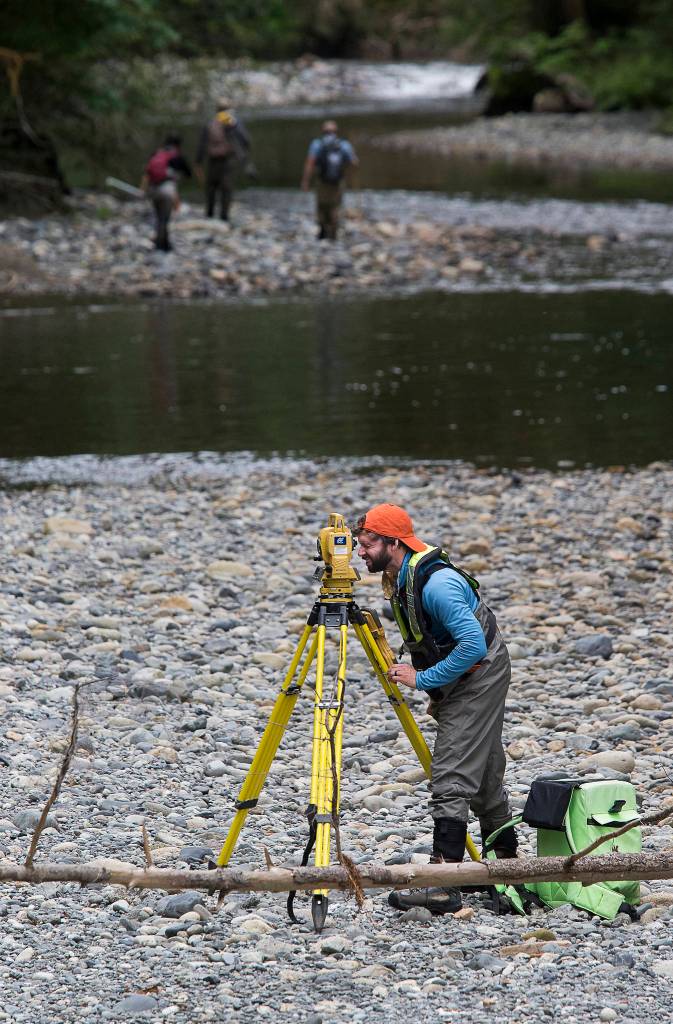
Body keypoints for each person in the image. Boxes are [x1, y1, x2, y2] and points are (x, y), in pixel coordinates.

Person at [354, 503, 517, 915]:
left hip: (479, 674)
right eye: (358, 542)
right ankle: (508, 873)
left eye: (368, 542)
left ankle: (444, 884)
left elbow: (473, 646)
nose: (359, 551)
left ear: (395, 542)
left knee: (451, 774)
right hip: (464, 675)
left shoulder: (436, 585)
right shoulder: (400, 573)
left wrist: (422, 679)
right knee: (482, 772)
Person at [195, 98, 252, 222]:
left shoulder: (211, 123)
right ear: (229, 110)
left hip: (213, 161)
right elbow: (246, 140)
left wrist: (198, 161)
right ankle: (223, 216)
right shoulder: (234, 123)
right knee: (226, 189)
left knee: (211, 188)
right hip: (227, 161)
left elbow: (202, 145)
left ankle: (210, 215)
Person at [301, 120, 358, 241]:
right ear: (336, 132)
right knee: (335, 206)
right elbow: (354, 162)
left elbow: (310, 163)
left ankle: (323, 230)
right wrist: (351, 177)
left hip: (322, 181)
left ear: (323, 132)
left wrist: (305, 181)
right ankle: (333, 232)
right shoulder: (344, 145)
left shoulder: (317, 144)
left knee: (322, 206)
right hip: (338, 182)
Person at [141, 134, 192, 252]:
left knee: (158, 217)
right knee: (165, 218)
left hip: (153, 190)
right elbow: (188, 174)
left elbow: (146, 174)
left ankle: (163, 242)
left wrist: (143, 190)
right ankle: (161, 245)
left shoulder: (156, 153)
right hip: (167, 191)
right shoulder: (177, 157)